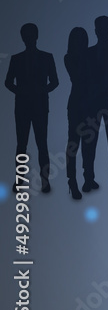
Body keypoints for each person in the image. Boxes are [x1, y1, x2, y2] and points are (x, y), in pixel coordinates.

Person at [5, 24, 58, 193]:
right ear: (23, 37)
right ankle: (20, 180)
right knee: (22, 144)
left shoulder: (47, 57)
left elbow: (55, 81)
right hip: (22, 105)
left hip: (40, 105)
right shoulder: (16, 59)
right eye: (25, 35)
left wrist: (42, 91)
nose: (28, 38)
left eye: (31, 34)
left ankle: (44, 180)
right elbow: (8, 82)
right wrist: (20, 91)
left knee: (41, 143)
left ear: (36, 36)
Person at [81, 16, 108, 193]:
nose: (102, 32)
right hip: (92, 104)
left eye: (105, 29)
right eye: (99, 29)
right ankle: (88, 178)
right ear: (96, 31)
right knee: (89, 143)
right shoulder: (87, 53)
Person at [64, 27, 89, 199]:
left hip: (89, 105)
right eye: (77, 39)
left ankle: (87, 178)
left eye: (82, 39)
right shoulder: (69, 57)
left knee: (88, 143)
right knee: (73, 143)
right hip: (75, 105)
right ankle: (72, 180)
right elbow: (77, 76)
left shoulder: (89, 56)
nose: (79, 42)